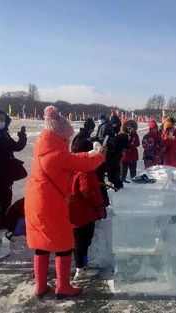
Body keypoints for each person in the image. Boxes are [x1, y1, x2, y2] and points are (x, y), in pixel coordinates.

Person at [25, 106, 105, 300]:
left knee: (41, 245)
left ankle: (41, 286)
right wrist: (100, 155)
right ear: (61, 135)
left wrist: (88, 154)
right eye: (67, 136)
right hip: (50, 204)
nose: (69, 140)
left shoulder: (44, 150)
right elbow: (82, 165)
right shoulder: (57, 155)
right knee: (63, 244)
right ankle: (63, 286)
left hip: (34, 202)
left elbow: (71, 159)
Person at [70, 138, 107, 280]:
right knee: (83, 242)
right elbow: (89, 191)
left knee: (77, 241)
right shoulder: (85, 169)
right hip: (83, 213)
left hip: (72, 209)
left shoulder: (69, 164)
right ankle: (81, 268)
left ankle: (80, 265)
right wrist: (99, 206)